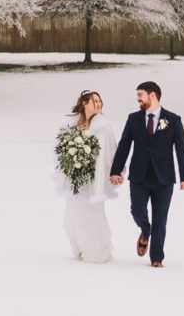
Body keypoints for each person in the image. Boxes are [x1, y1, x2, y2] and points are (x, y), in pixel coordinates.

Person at [109, 81, 184, 267]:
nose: (138, 99)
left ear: (152, 95)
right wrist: (116, 171)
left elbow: (181, 149)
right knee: (137, 211)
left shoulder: (173, 120)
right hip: (139, 176)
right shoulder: (133, 119)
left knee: (160, 218)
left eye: (140, 95)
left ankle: (156, 258)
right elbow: (124, 146)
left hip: (164, 178)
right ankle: (146, 230)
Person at [55, 89, 119, 262]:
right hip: (74, 179)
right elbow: (59, 147)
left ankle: (96, 251)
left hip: (93, 179)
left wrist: (114, 172)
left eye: (100, 102)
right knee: (72, 216)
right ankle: (80, 247)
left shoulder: (103, 126)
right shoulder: (69, 123)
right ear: (84, 103)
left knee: (92, 215)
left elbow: (111, 151)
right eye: (94, 101)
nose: (98, 104)